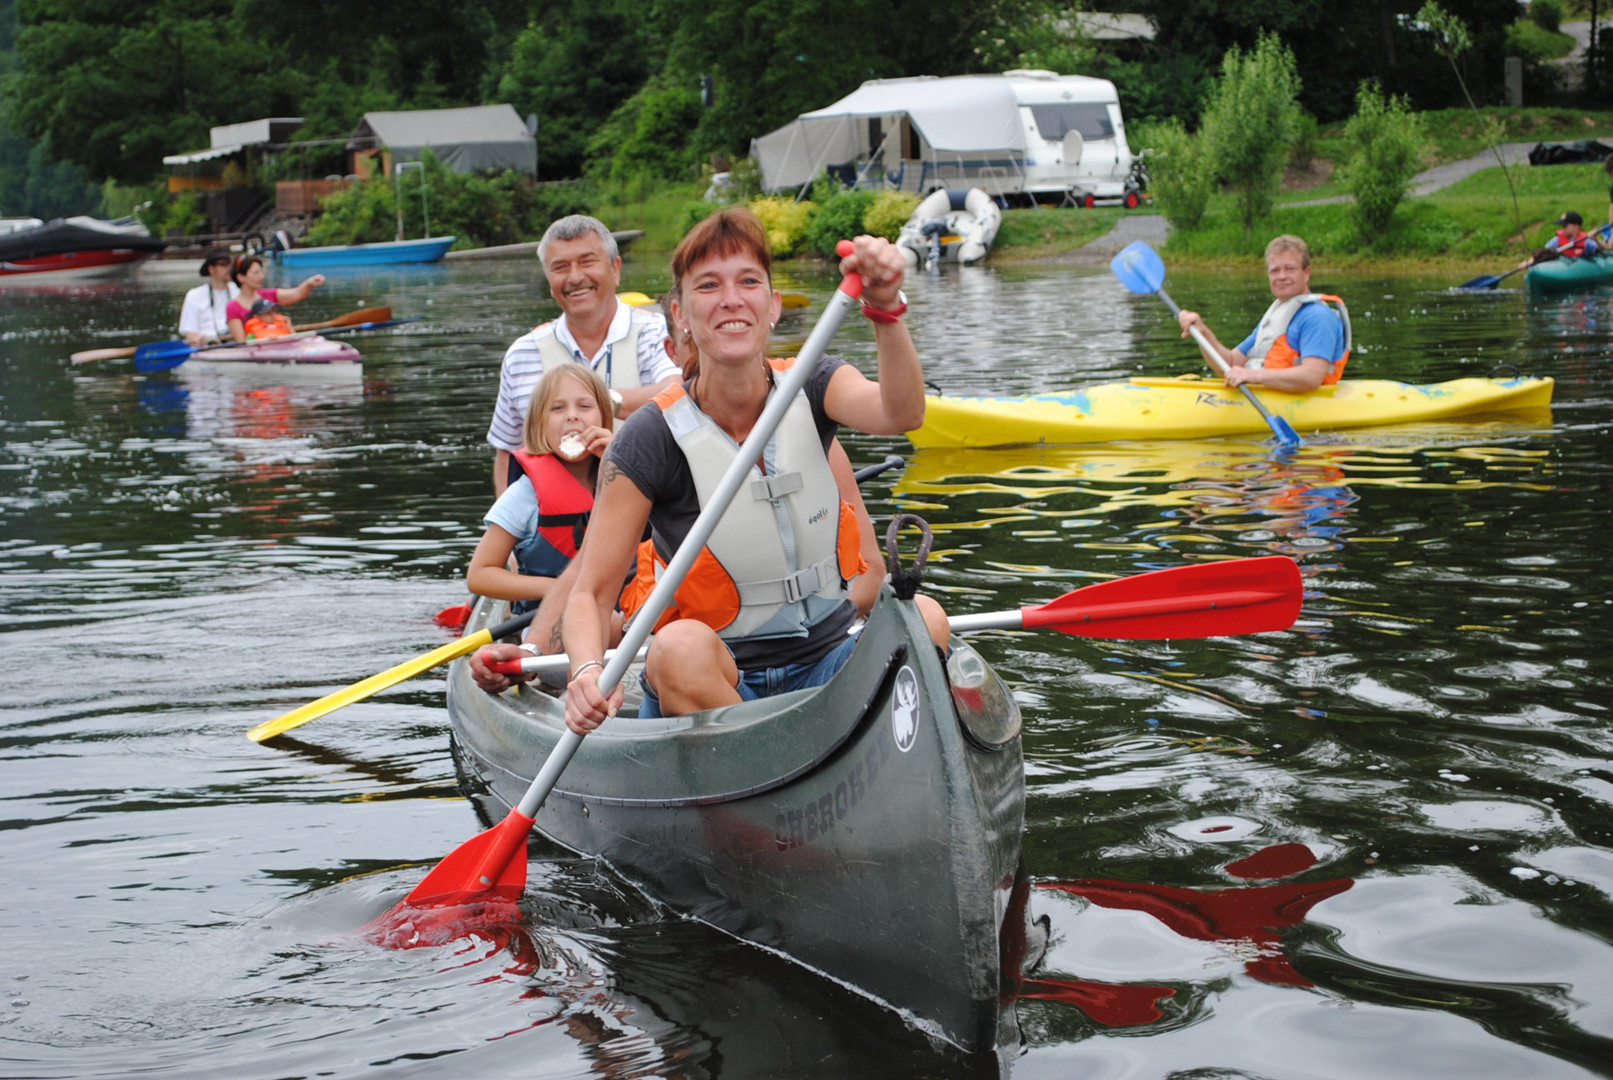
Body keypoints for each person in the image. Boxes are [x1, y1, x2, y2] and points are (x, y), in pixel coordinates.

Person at [562, 207, 928, 732]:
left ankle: (838, 757)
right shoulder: (648, 439)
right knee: (676, 649)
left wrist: (887, 306)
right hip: (718, 677)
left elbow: (903, 413)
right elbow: (592, 595)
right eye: (708, 286)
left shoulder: (817, 383)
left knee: (927, 622)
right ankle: (778, 766)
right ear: (681, 314)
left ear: (773, 305)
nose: (732, 299)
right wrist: (588, 668)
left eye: (749, 281)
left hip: (829, 659)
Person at [487, 215, 680, 495]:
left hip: (650, 522)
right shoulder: (521, 355)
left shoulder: (658, 334)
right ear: (549, 280)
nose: (575, 277)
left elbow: (676, 394)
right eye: (560, 267)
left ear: (615, 269)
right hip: (556, 531)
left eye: (587, 261)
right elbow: (507, 451)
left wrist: (603, 401)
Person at [466, 362, 616, 617]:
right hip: (549, 621)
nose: (572, 415)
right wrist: (557, 588)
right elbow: (480, 576)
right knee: (603, 619)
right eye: (558, 408)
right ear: (540, 425)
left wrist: (619, 456)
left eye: (585, 406)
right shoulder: (525, 495)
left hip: (623, 616)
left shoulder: (627, 478)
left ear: (604, 418)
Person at [1175, 234, 1349, 394]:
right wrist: (1202, 333)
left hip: (1313, 404)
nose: (1281, 276)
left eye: (1290, 269)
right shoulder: (1277, 315)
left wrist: (1254, 376)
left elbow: (1311, 378)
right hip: (1269, 397)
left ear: (1306, 273)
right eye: (1275, 270)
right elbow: (1231, 364)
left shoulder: (1317, 316)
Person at [225, 255, 326, 343]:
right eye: (256, 273)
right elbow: (241, 342)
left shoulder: (269, 295)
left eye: (261, 272)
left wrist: (310, 283)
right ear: (241, 277)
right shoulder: (233, 307)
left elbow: (298, 293)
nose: (261, 276)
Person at [178, 247, 239, 345]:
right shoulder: (194, 295)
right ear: (211, 269)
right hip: (209, 344)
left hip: (235, 340)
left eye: (230, 264)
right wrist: (197, 339)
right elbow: (190, 334)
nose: (229, 268)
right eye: (224, 264)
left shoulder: (237, 291)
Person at [1518, 210, 1601, 269]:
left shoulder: (1586, 241)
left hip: (1580, 266)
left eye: (1565, 226)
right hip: (1562, 266)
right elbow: (1542, 253)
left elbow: (1603, 250)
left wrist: (1596, 239)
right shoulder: (1557, 240)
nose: (1563, 229)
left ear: (1576, 226)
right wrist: (1528, 263)